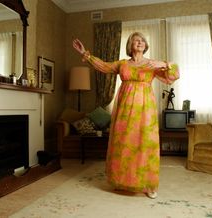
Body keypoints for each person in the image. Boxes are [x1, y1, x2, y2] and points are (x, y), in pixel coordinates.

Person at [72, 32, 179, 199]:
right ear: (130, 45)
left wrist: (165, 64)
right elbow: (104, 66)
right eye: (136, 40)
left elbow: (173, 76)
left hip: (145, 109)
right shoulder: (122, 64)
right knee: (124, 143)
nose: (140, 42)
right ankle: (122, 181)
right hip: (125, 109)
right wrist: (85, 53)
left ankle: (149, 185)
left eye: (142, 40)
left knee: (145, 143)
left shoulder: (152, 64)